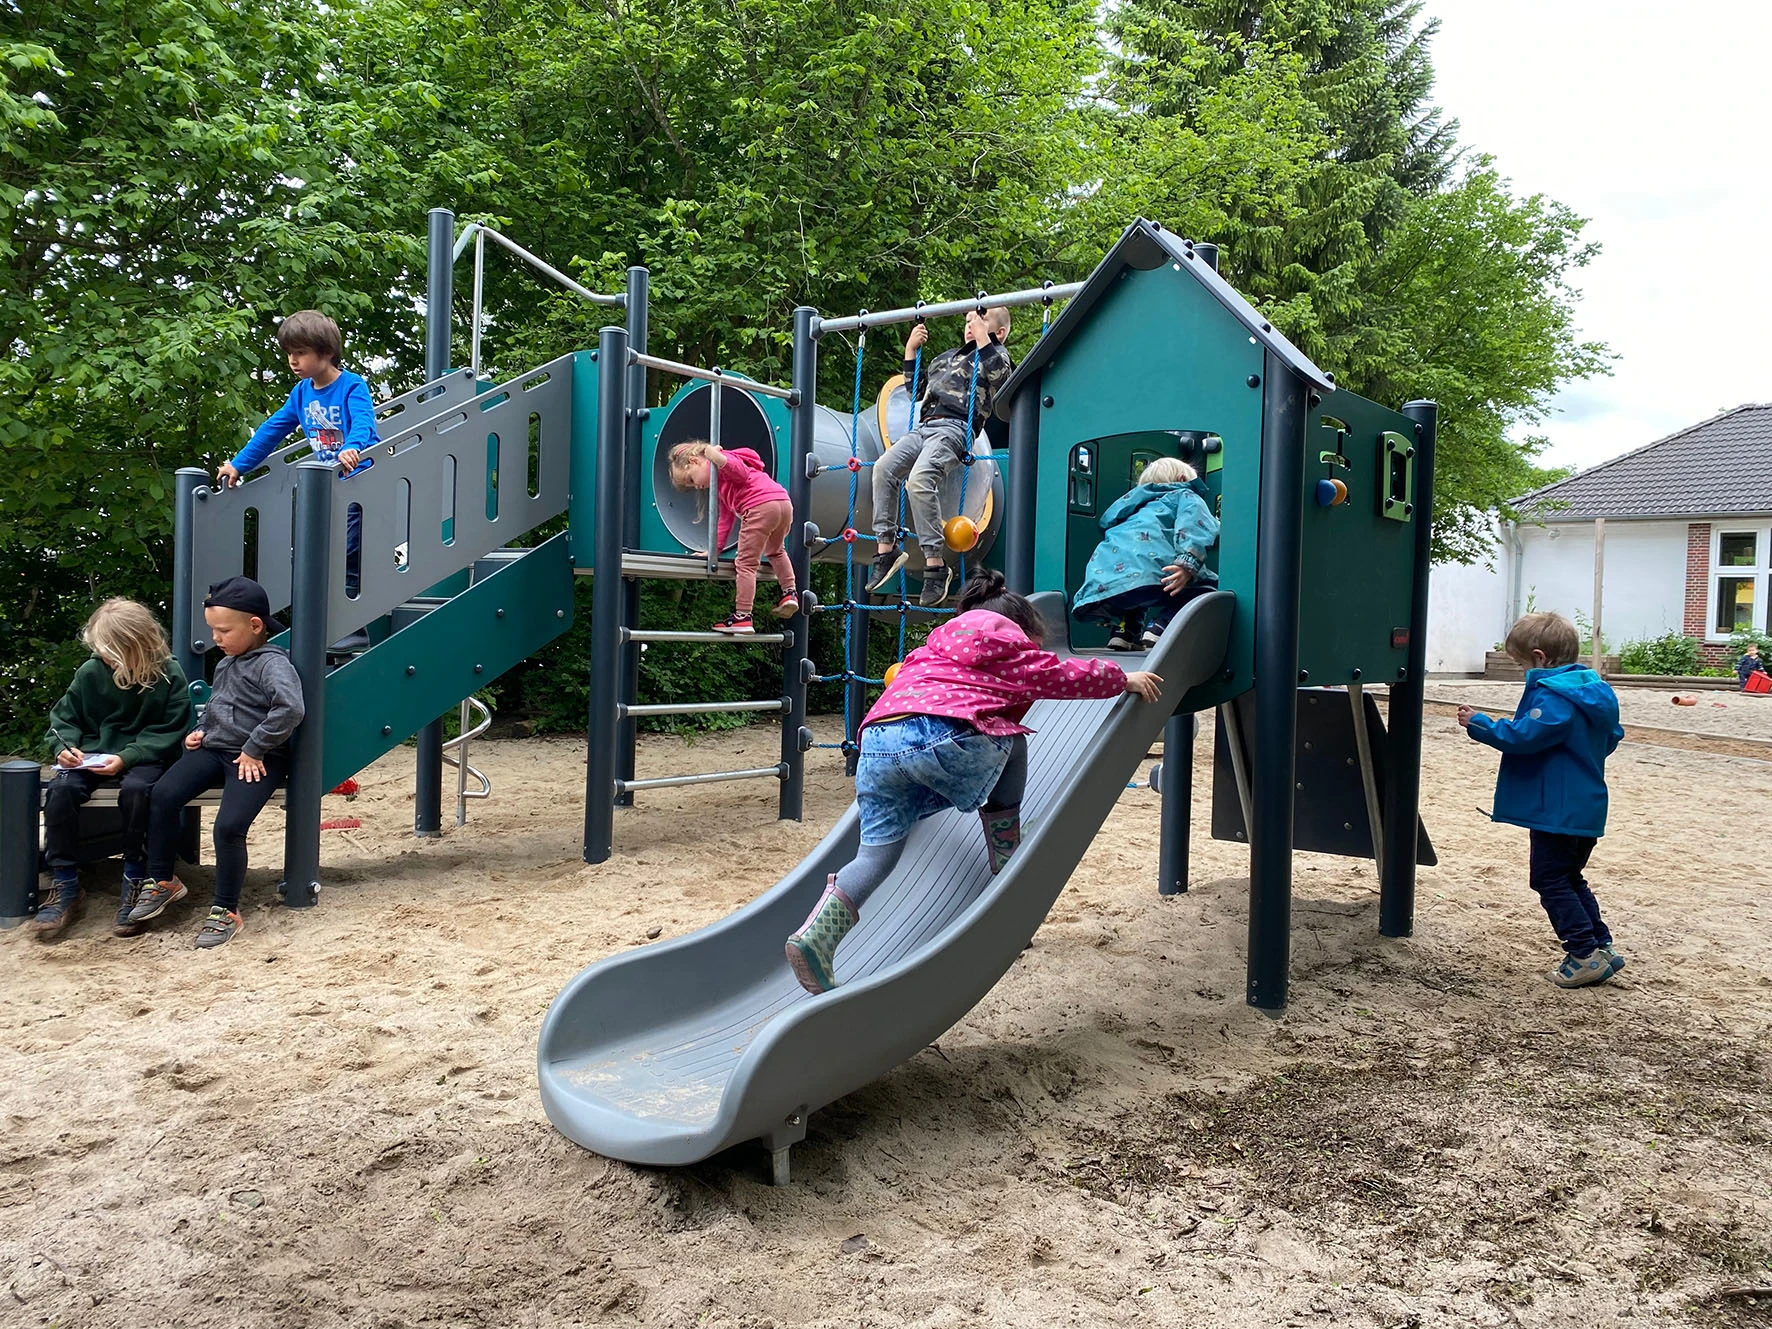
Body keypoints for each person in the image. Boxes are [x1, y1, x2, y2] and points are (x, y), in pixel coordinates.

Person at [785, 570, 1163, 994]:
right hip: (943, 737)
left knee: (875, 857)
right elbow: (1059, 675)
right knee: (1010, 738)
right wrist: (1119, 678)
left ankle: (816, 937)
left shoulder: (932, 648)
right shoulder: (1005, 641)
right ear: (1022, 628)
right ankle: (1006, 849)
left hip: (875, 744)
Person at [130, 577, 305, 948]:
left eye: (223, 630)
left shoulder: (272, 664)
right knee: (162, 794)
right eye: (213, 630)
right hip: (214, 749)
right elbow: (218, 706)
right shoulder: (228, 662)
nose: (216, 638)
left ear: (255, 625)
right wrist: (200, 730)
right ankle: (163, 880)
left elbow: (290, 708)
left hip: (257, 759)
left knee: (228, 827)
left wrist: (256, 747)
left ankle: (226, 909)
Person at [1457, 611, 1626, 988]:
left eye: (1521, 665)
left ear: (1540, 657)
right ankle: (1601, 946)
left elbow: (1524, 737)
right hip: (1587, 803)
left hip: (1557, 810)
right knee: (1570, 876)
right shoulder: (1594, 692)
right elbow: (1612, 737)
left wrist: (1480, 723)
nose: (1522, 673)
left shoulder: (1555, 697)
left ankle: (1583, 953)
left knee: (1549, 880)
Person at [35, 600, 194, 938]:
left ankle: (136, 875)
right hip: (91, 756)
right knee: (60, 790)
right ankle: (64, 882)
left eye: (111, 653)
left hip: (146, 758)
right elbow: (63, 720)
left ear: (137, 647)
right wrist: (64, 749)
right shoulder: (90, 672)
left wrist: (128, 756)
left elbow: (172, 728)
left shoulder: (168, 673)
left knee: (137, 791)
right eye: (101, 651)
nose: (105, 658)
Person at [216, 311, 379, 627]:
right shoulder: (301, 393)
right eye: (290, 353)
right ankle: (320, 615)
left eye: (300, 352)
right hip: (324, 485)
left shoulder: (351, 385)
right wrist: (238, 465)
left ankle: (349, 619)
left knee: (347, 551)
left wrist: (352, 447)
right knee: (313, 549)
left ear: (327, 352)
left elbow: (363, 422)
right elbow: (272, 429)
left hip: (358, 481)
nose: (293, 360)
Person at [867, 308, 1013, 608]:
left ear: (998, 333)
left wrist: (984, 336)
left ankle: (935, 565)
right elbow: (916, 391)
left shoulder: (994, 356)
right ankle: (886, 549)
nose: (971, 326)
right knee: (884, 469)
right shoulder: (945, 358)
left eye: (981, 322)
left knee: (920, 481)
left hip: (956, 427)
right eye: (969, 321)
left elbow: (1001, 379)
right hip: (925, 427)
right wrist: (911, 349)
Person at [1072, 456, 1220, 650]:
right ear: (1183, 479)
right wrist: (1187, 563)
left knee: (1135, 589)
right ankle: (1161, 627)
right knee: (1205, 589)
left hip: (1111, 581)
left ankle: (1124, 633)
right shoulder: (1185, 495)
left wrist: (1104, 602)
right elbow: (1194, 526)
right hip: (1157, 571)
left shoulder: (1130, 509)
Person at [667, 441, 799, 634]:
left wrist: (716, 457)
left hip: (759, 506)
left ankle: (742, 616)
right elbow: (725, 521)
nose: (697, 487)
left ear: (695, 461)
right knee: (776, 551)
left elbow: (740, 472)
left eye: (692, 480)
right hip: (782, 503)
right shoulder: (722, 485)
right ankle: (790, 593)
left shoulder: (723, 462)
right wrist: (714, 549)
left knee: (745, 563)